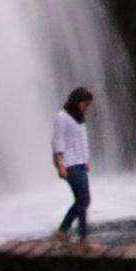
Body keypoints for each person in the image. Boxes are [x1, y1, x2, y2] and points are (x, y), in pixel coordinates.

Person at [52, 87, 94, 242]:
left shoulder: (79, 117)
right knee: (84, 199)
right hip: (70, 164)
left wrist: (86, 160)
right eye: (85, 104)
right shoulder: (62, 117)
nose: (86, 107)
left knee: (81, 200)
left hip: (80, 163)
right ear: (76, 101)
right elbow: (58, 141)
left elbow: (81, 141)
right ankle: (63, 229)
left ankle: (83, 236)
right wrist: (60, 165)